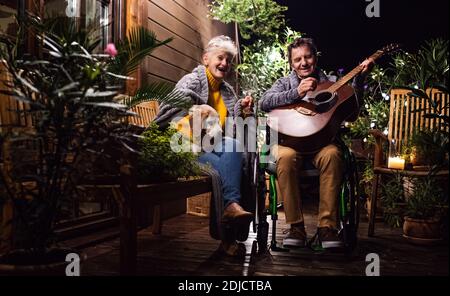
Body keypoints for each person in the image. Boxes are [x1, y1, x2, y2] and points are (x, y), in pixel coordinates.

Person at [259, 37, 374, 249]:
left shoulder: (331, 82)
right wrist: (296, 92)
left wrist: (359, 80)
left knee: (332, 155)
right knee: (284, 157)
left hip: (322, 144)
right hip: (289, 142)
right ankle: (296, 227)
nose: (303, 63)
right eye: (297, 59)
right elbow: (263, 103)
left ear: (315, 57)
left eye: (308, 56)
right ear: (291, 64)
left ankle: (327, 228)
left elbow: (353, 114)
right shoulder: (284, 83)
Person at [154, 35, 254, 256]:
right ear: (206, 58)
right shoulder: (191, 81)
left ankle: (231, 210)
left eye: (228, 60)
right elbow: (165, 114)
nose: (225, 64)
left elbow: (233, 131)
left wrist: (244, 113)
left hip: (215, 149)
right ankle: (229, 233)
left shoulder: (227, 91)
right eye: (220, 58)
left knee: (236, 152)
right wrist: (194, 105)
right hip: (184, 149)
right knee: (230, 162)